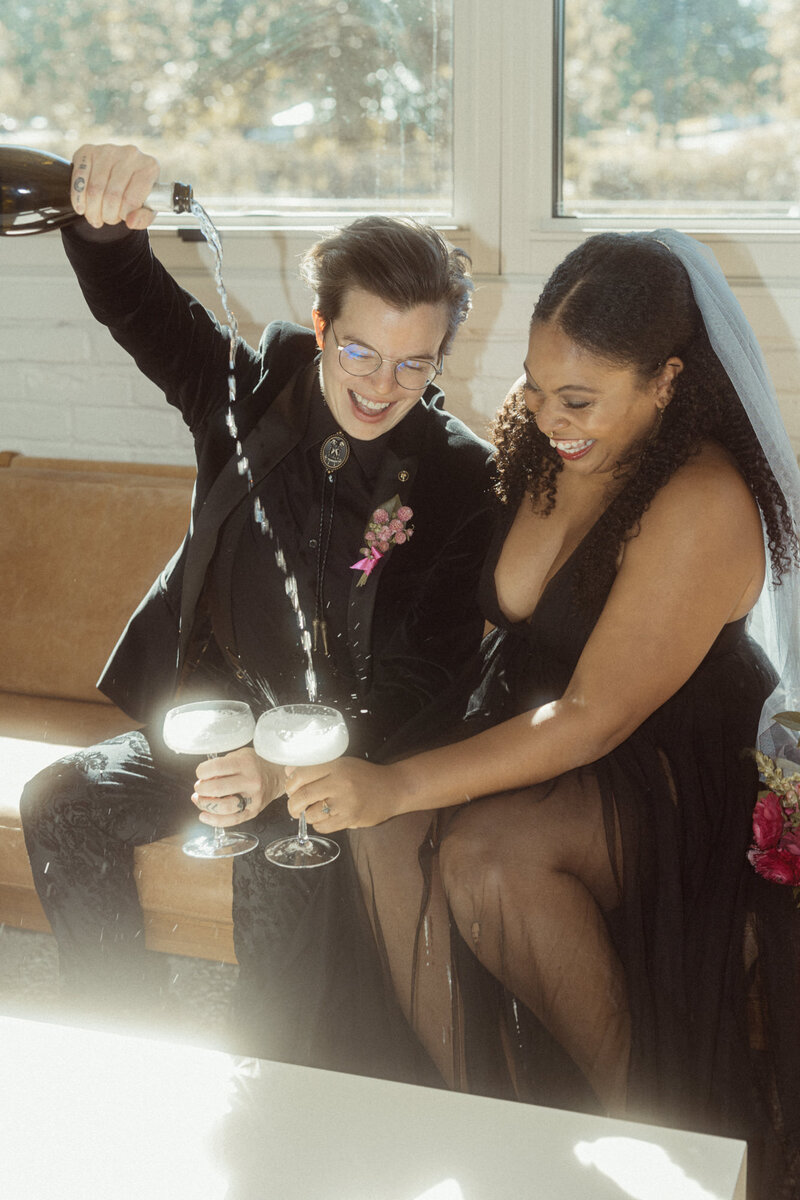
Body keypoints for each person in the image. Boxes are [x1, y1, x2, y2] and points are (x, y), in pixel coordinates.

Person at [282, 231, 800, 1196]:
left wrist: (394, 777)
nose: (546, 415)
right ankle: (502, 1136)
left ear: (666, 382)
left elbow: (593, 719)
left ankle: (659, 1152)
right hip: (541, 726)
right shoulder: (549, 443)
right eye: (535, 382)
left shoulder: (702, 499)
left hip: (668, 764)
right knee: (388, 840)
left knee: (488, 857)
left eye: (579, 399)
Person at [19, 143, 495, 1064]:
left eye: (414, 364)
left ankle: (268, 1081)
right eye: (361, 350)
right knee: (61, 799)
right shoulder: (246, 393)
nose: (381, 386)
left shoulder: (463, 477)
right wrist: (103, 222)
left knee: (281, 881)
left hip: (333, 757)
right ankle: (122, 1043)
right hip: (206, 727)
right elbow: (140, 307)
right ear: (322, 326)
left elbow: (428, 672)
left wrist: (288, 775)